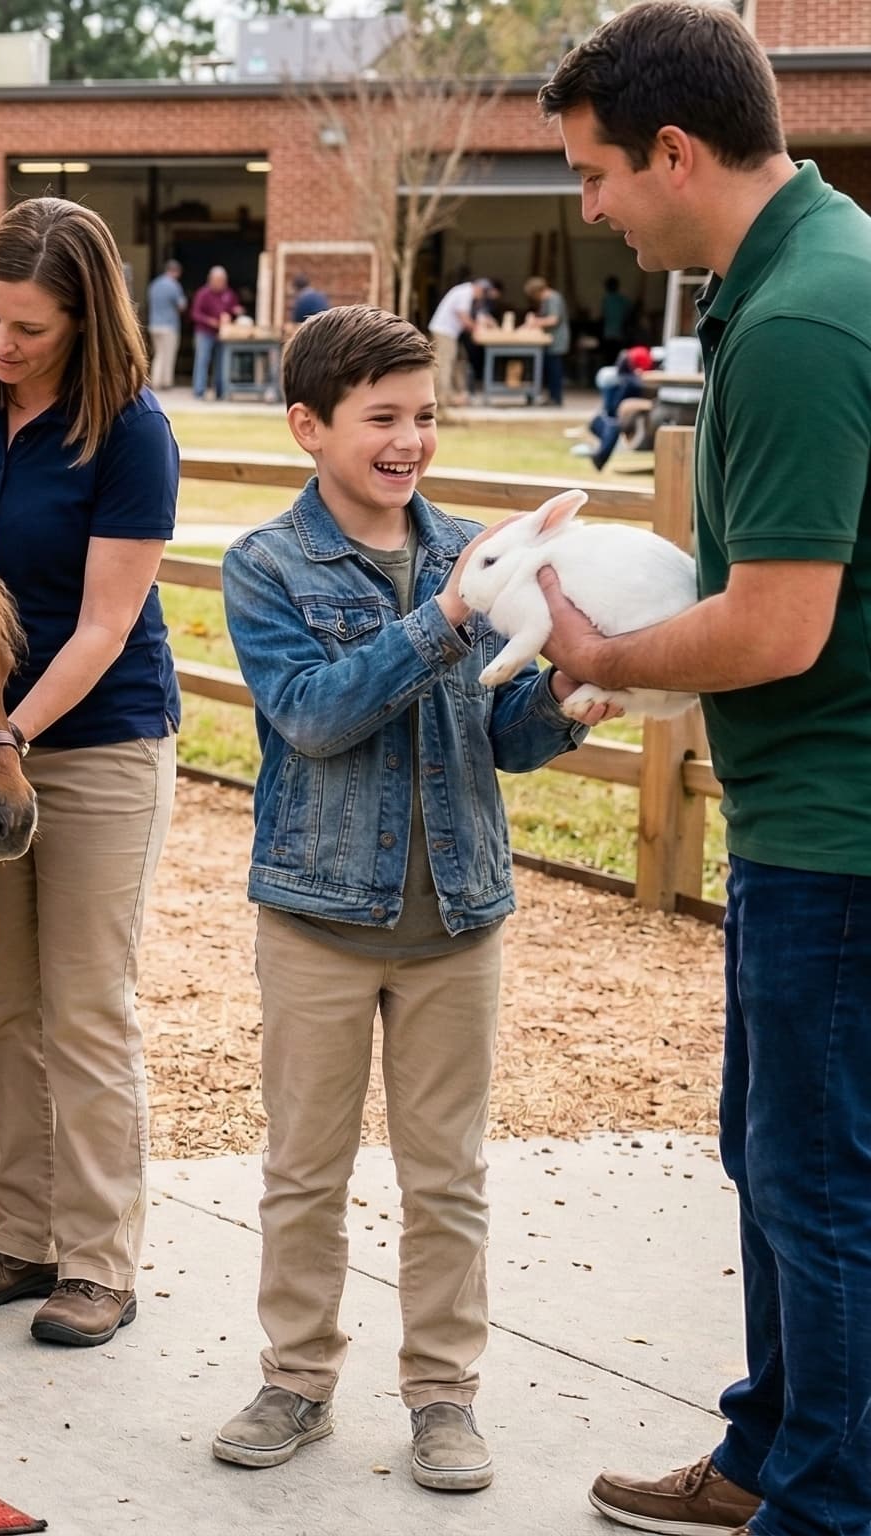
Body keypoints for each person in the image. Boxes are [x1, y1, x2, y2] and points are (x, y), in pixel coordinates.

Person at [534, 8, 871, 1535]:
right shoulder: (803, 270)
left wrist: (599, 652)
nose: (589, 205)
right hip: (807, 814)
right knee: (773, 1153)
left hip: (840, 829)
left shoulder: (803, 317)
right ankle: (767, 1455)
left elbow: (781, 626)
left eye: (596, 173)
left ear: (674, 150)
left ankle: (825, 1504)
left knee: (818, 1184)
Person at [212, 306, 601, 1493]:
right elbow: (315, 717)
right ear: (307, 428)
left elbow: (502, 730)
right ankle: (295, 1379)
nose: (407, 439)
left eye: (422, 415)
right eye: (380, 418)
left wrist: (566, 699)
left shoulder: (472, 554)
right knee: (302, 1169)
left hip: (456, 924)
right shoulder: (265, 566)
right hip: (317, 921)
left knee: (445, 1177)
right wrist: (442, 620)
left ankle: (442, 1397)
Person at [0, 197, 180, 1350]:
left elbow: (104, 626)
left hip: (98, 737)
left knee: (83, 1005)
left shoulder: (131, 431)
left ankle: (101, 1261)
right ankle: (21, 1236)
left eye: (29, 328)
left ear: (84, 318)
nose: (0, 347)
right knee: (5, 1004)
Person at [578, 342, 657, 471]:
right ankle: (600, 454)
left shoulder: (627, 365)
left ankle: (599, 449)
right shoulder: (631, 376)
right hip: (618, 383)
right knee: (613, 421)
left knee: (611, 417)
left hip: (614, 382)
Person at [425, 275, 487, 406]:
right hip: (444, 331)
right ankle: (442, 398)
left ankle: (450, 395)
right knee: (444, 363)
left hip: (450, 332)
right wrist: (476, 328)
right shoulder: (465, 293)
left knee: (454, 362)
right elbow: (463, 317)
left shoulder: (465, 292)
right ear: (479, 289)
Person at [191, 264, 240, 398]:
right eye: (217, 281)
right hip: (205, 332)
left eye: (223, 281)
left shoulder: (229, 294)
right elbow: (195, 314)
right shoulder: (203, 294)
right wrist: (210, 321)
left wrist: (236, 311)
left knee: (222, 362)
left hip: (223, 333)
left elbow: (234, 307)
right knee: (202, 360)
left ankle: (220, 391)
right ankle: (199, 391)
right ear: (211, 280)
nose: (220, 284)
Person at [524, 276, 572, 405]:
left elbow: (553, 319)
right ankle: (551, 396)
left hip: (556, 339)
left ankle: (556, 398)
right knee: (549, 368)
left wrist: (535, 322)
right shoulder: (547, 300)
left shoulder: (553, 298)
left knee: (554, 369)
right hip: (550, 339)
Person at [146, 259, 187, 392]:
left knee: (158, 354)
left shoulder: (155, 284)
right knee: (168, 354)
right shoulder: (174, 285)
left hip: (154, 324)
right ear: (175, 271)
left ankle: (155, 381)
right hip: (169, 325)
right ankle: (166, 382)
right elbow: (181, 306)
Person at [600, 273, 636, 355]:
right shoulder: (623, 300)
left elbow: (603, 316)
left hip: (609, 334)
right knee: (618, 356)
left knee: (609, 356)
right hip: (619, 333)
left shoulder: (606, 300)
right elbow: (631, 312)